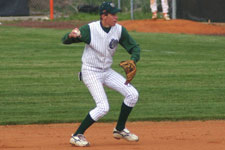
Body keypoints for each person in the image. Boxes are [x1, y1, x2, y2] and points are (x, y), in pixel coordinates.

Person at [62, 1, 141, 147]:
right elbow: (65, 40)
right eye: (113, 14)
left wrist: (133, 60)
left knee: (133, 94)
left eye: (117, 14)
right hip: (90, 72)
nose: (116, 17)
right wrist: (71, 36)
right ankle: (77, 135)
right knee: (103, 107)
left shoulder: (119, 30)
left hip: (107, 71)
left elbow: (134, 47)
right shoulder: (90, 29)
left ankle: (119, 129)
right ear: (104, 16)